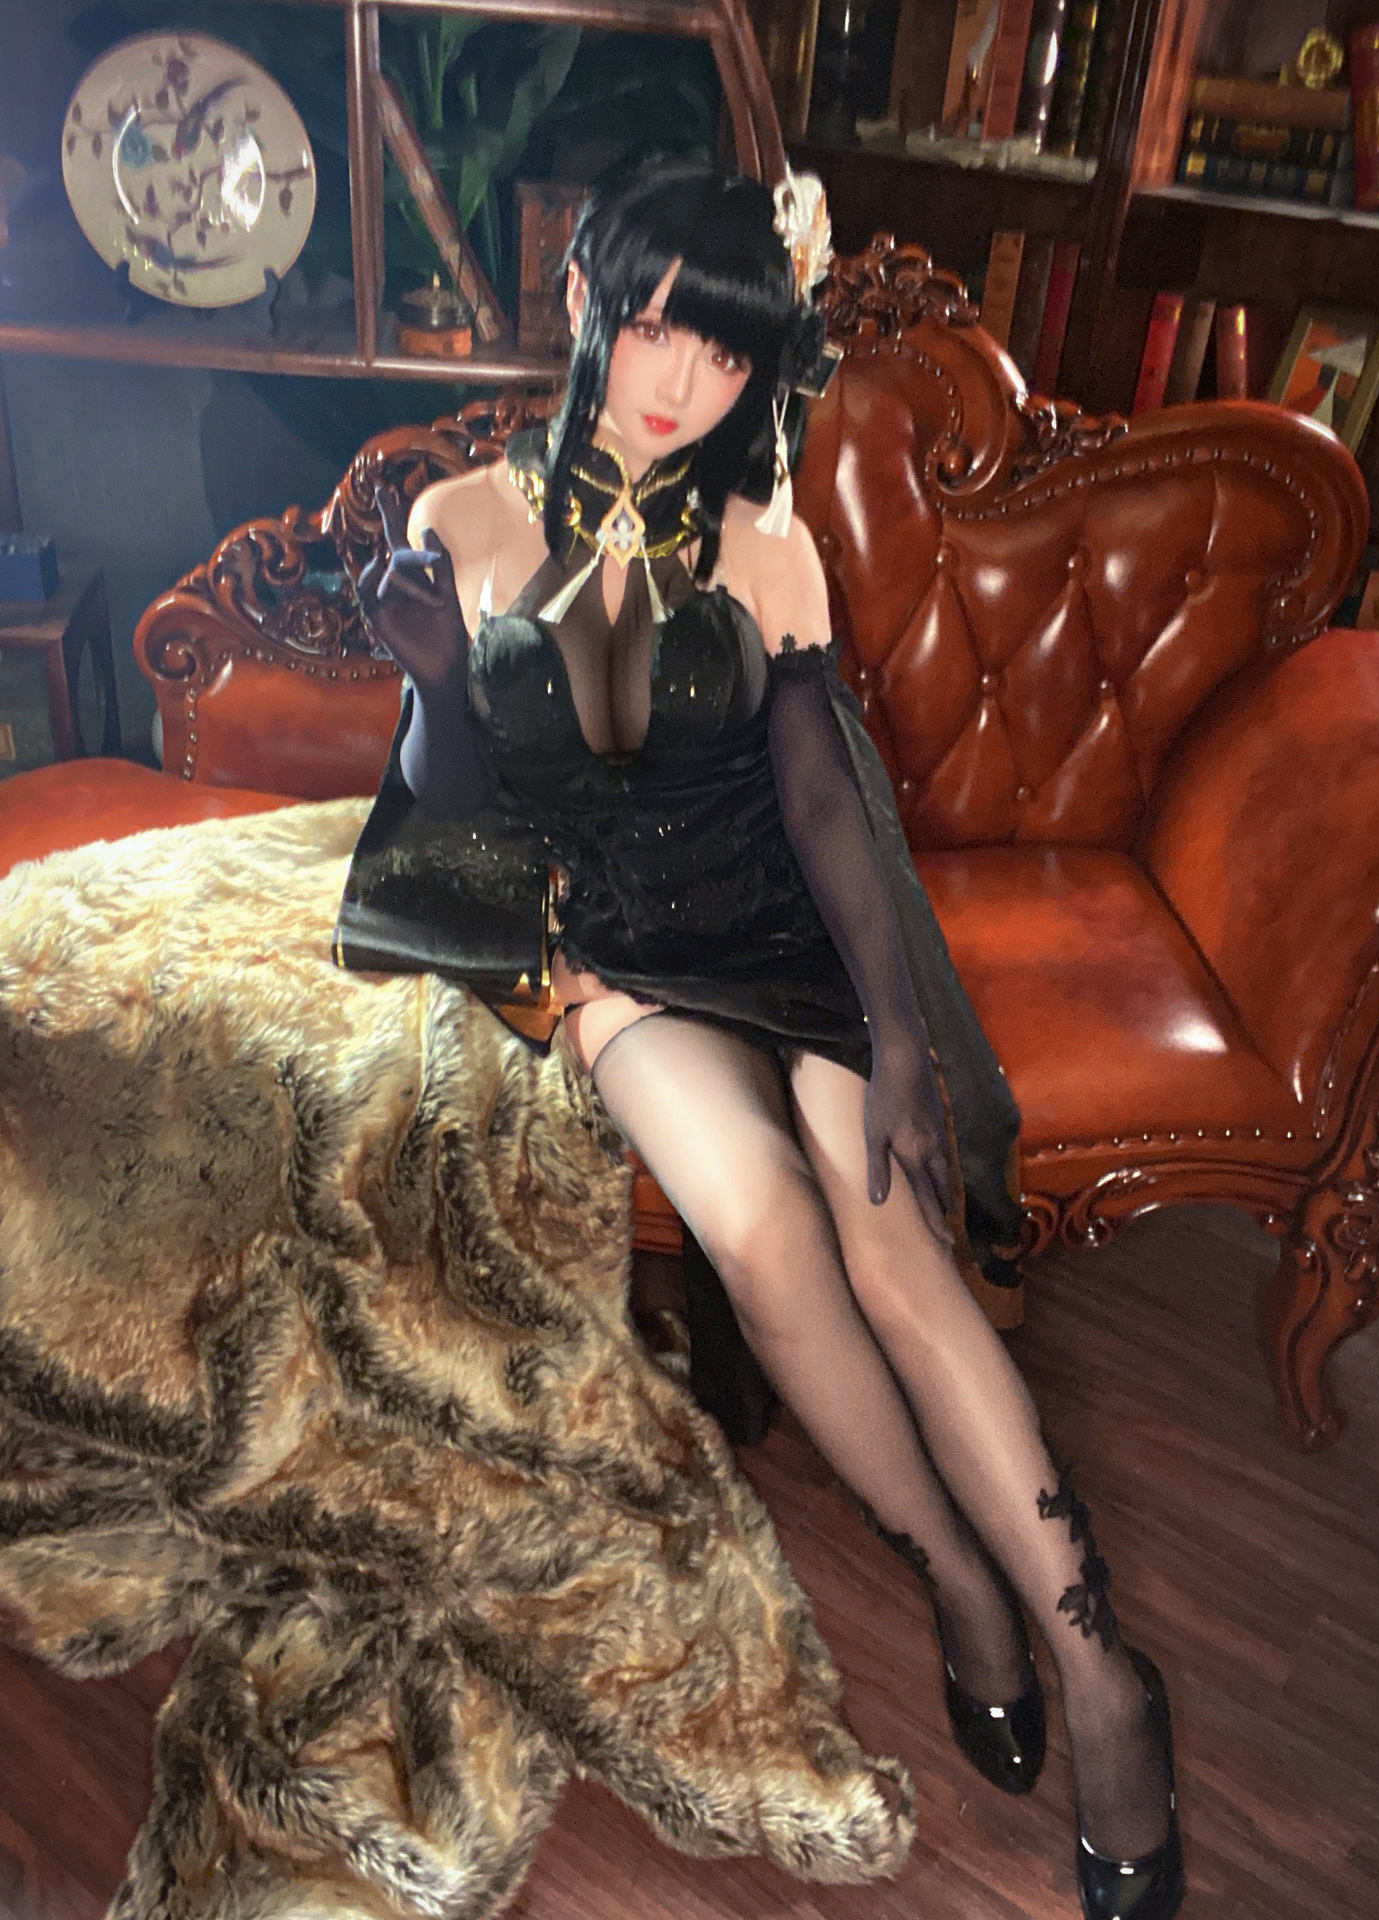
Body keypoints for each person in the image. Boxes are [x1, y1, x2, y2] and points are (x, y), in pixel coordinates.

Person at [345, 158, 1183, 1920]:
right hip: (617, 961)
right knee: (756, 1227)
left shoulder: (768, 542)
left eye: (724, 353)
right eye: (655, 328)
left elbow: (815, 803)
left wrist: (897, 1031)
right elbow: (459, 812)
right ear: (586, 303)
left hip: (787, 935)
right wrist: (430, 680)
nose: (680, 382)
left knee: (892, 1245)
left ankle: (1101, 1669)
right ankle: (956, 1576)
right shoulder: (464, 519)